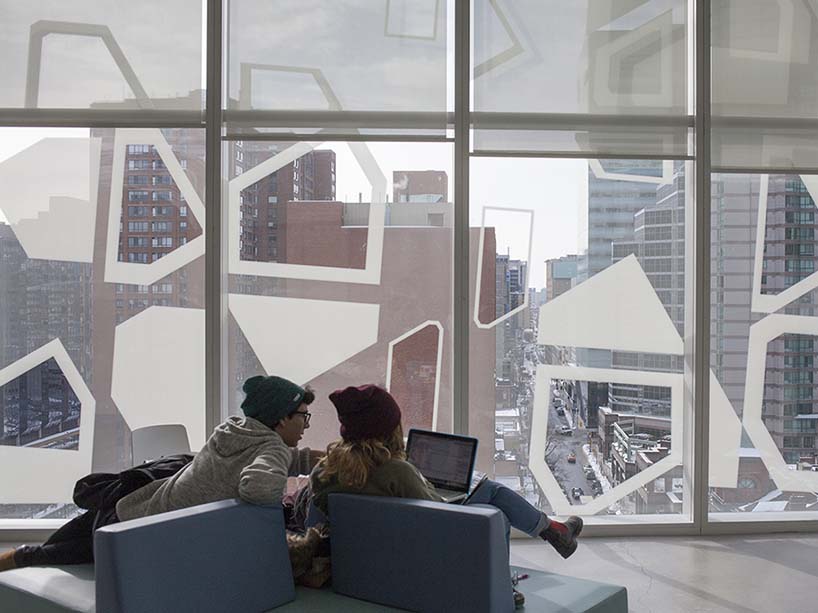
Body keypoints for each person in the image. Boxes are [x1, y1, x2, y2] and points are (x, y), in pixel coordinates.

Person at [0, 374, 320, 572]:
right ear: (281, 419)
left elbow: (258, 458)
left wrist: (310, 459)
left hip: (129, 504)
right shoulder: (273, 449)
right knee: (47, 557)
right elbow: (257, 487)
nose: (307, 425)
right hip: (145, 534)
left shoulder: (233, 431)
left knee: (47, 549)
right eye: (304, 417)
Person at [310, 384, 583, 608]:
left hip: (361, 562)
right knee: (493, 501)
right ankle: (513, 577)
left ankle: (554, 530)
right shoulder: (395, 471)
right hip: (419, 557)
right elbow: (437, 519)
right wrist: (429, 483)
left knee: (488, 491)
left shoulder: (325, 469)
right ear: (388, 429)